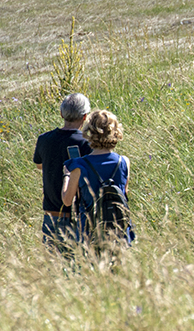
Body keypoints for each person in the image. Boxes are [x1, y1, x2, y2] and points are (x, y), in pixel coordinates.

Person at [60, 109, 133, 260]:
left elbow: (67, 200)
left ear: (89, 132)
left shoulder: (78, 165)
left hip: (89, 233)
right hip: (118, 231)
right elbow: (123, 194)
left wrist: (67, 174)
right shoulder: (123, 162)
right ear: (115, 132)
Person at [33, 93, 92, 254]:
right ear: (85, 116)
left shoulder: (44, 139)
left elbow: (39, 165)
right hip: (78, 216)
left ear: (61, 114)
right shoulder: (87, 142)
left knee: (55, 271)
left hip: (51, 215)